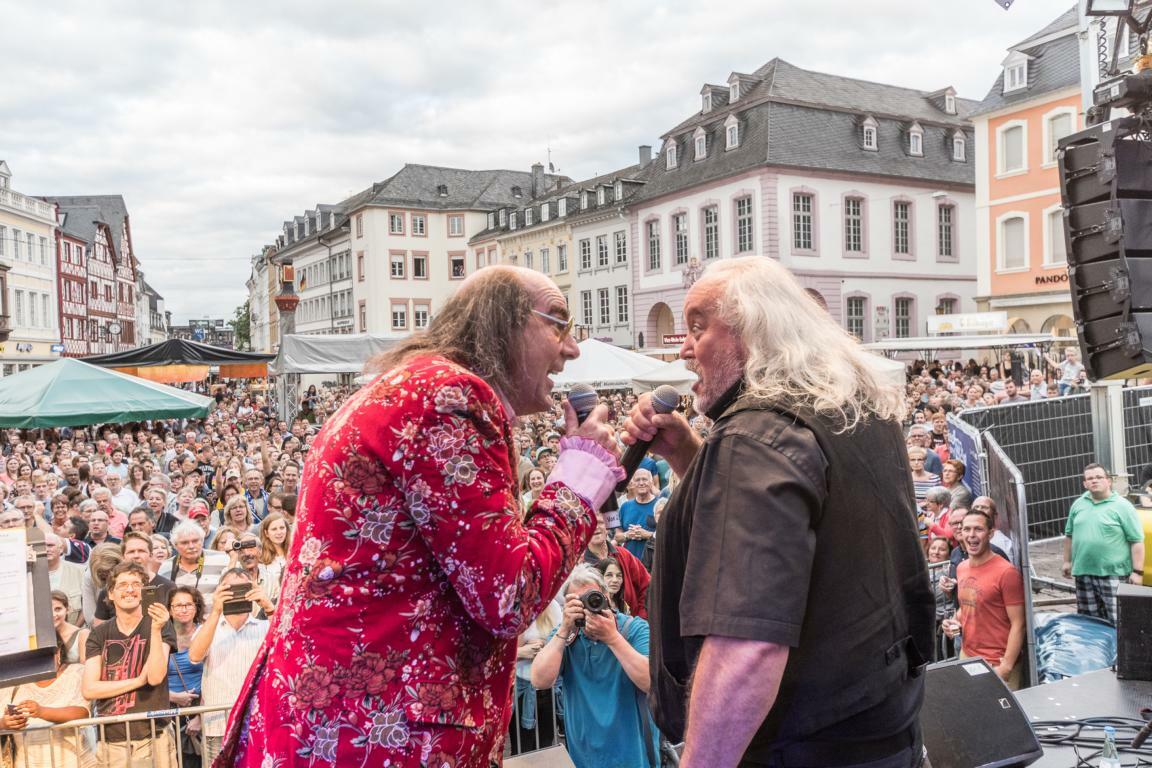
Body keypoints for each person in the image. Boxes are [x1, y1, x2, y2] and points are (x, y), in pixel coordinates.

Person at [217, 265, 622, 766]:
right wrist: (579, 478)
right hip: (377, 734)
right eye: (559, 323)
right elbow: (509, 594)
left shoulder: (412, 385)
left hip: (338, 725)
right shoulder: (448, 397)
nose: (572, 348)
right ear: (503, 324)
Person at [625, 256, 933, 767]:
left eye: (698, 328)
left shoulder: (754, 439)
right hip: (880, 730)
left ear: (753, 332)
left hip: (800, 748)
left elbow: (746, 647)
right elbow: (804, 525)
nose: (683, 349)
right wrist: (689, 456)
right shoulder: (851, 407)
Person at [530, 564, 660, 768]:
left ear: (606, 596)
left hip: (634, 757)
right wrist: (564, 629)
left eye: (592, 598)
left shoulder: (634, 629)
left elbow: (651, 682)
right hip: (584, 758)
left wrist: (612, 638)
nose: (588, 607)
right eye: (578, 602)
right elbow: (539, 680)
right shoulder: (567, 636)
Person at [82, 561, 177, 768]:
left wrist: (155, 629)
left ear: (144, 591)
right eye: (123, 585)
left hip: (153, 735)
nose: (130, 590)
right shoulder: (99, 633)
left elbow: (155, 677)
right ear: (111, 594)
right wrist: (137, 681)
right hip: (111, 738)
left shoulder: (161, 625)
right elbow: (89, 689)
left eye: (136, 584)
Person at [188, 569, 272, 764]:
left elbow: (288, 646)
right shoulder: (209, 628)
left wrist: (268, 606)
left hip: (256, 722)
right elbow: (194, 656)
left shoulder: (265, 626)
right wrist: (216, 610)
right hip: (218, 724)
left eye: (243, 588)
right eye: (229, 589)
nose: (236, 593)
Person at [942, 510, 1026, 690]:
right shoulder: (962, 568)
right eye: (967, 529)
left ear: (990, 533)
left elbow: (1019, 623)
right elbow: (968, 605)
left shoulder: (1007, 573)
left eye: (978, 529)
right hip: (968, 657)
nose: (971, 535)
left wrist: (1006, 667)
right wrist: (953, 621)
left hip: (997, 662)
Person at [1063, 464, 1146, 624]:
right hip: (1084, 573)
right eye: (1090, 478)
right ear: (1085, 484)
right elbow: (1069, 536)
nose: (1094, 481)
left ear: (1109, 481)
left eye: (1099, 477)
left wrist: (1137, 572)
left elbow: (1136, 541)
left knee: (1119, 622)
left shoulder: (1123, 506)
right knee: (1089, 623)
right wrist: (1067, 561)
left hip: (1113, 574)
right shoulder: (1078, 504)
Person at [0, 630, 94, 768]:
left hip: (75, 763)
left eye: (43, 654)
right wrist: (5, 723)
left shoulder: (76, 672)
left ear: (58, 651)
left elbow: (82, 712)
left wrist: (41, 711)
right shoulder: (14, 682)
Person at [162, 521, 230, 611]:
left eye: (195, 541)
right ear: (175, 546)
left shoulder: (222, 559)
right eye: (184, 543)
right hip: (180, 619)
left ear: (202, 541)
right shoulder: (165, 567)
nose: (191, 546)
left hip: (215, 617)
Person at [616, 468, 658, 563]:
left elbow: (666, 535)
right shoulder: (625, 506)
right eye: (637, 480)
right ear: (633, 483)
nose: (641, 483)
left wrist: (647, 535)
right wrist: (627, 535)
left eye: (644, 479)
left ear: (651, 482)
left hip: (652, 562)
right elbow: (617, 536)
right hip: (629, 562)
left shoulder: (659, 505)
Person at [257, 511, 292, 605]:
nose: (279, 532)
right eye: (274, 529)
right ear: (266, 533)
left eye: (282, 528)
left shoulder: (294, 553)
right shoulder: (260, 558)